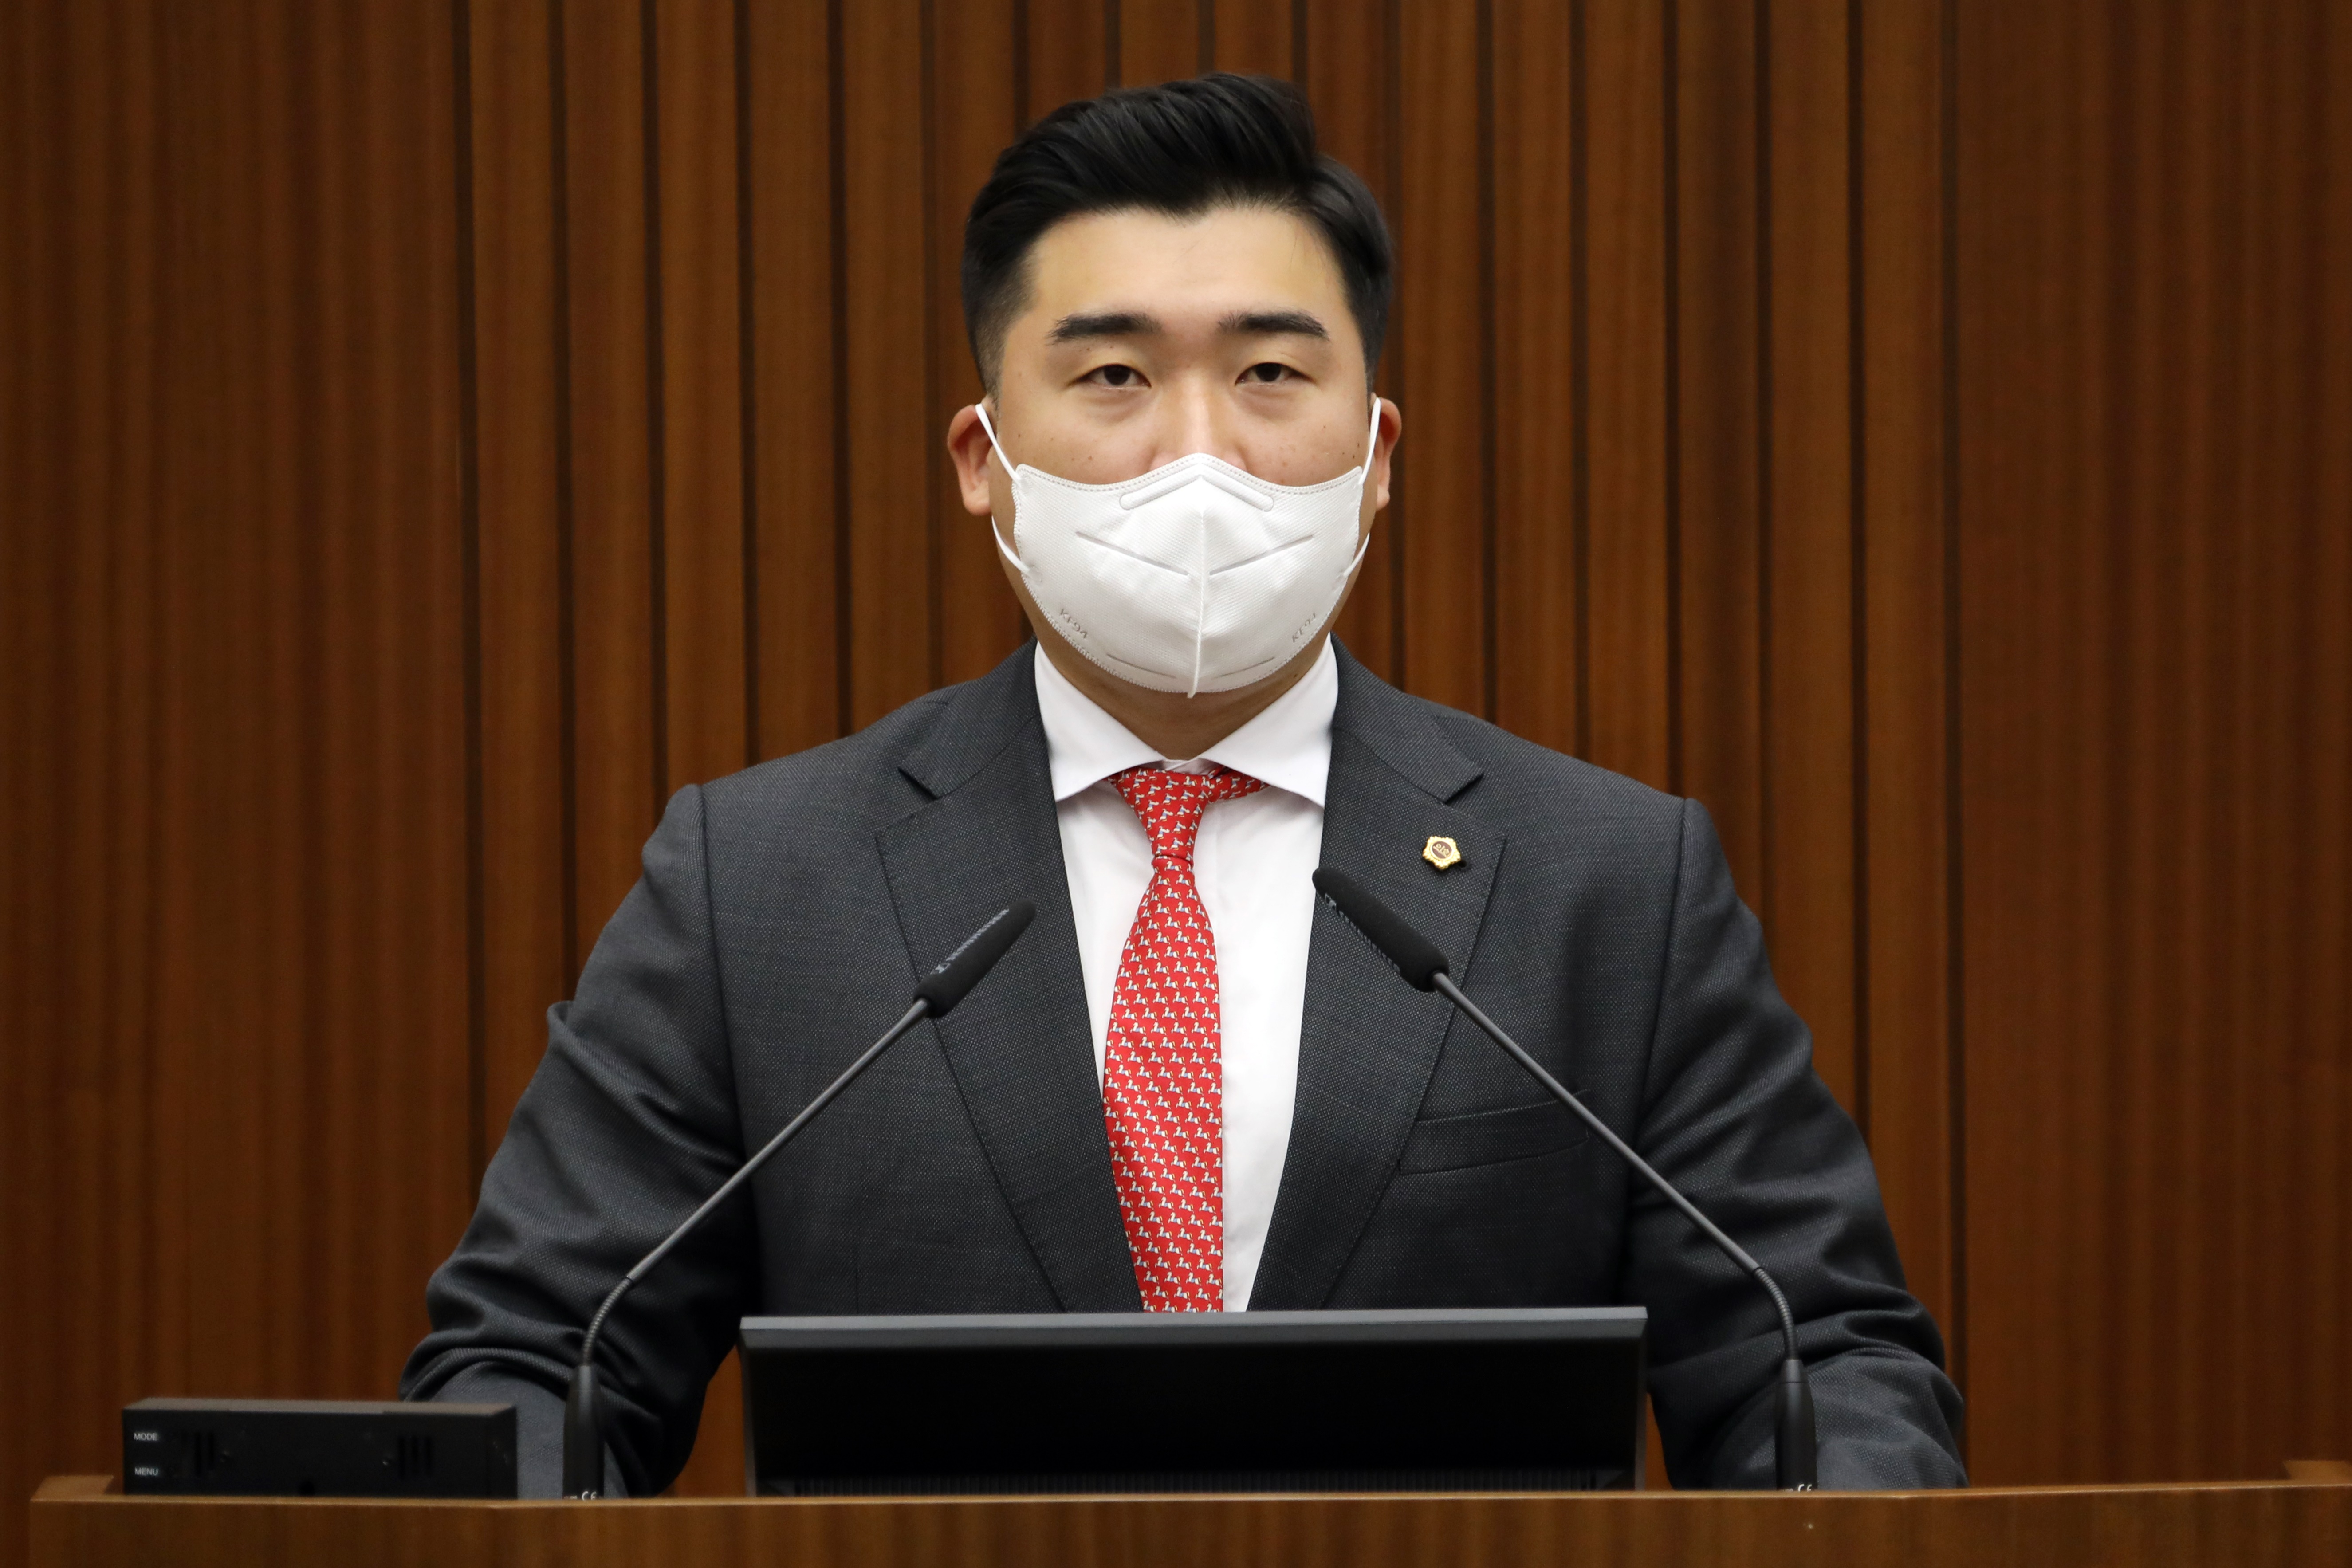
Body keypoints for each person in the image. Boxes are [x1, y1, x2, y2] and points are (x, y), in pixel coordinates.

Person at [402, 72, 1965, 1496]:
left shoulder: (1609, 882)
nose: (1198, 454)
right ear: (983, 459)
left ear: (1378, 455)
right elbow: (532, 1363)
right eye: (1114, 377)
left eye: (1272, 371)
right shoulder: (761, 885)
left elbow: (1822, 1359)